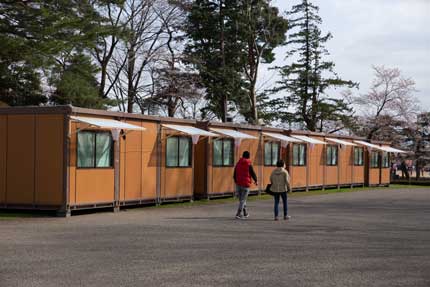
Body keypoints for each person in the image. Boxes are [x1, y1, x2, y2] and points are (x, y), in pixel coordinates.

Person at [233, 151, 258, 219]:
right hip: (246, 184)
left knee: (242, 199)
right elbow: (252, 173)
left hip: (238, 184)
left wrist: (236, 181)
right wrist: (256, 180)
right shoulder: (248, 164)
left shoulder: (238, 163)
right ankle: (238, 213)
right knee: (243, 200)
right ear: (248, 156)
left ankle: (245, 213)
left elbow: (234, 174)